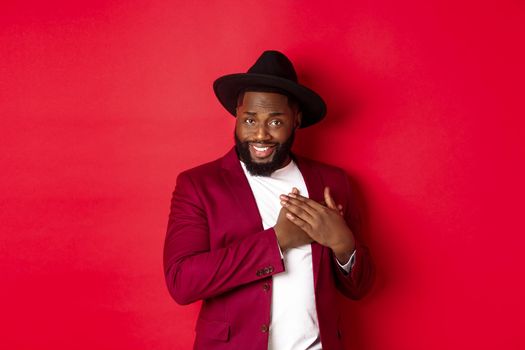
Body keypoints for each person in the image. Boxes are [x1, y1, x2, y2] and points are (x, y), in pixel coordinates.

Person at [163, 50, 374, 350]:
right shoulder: (198, 185)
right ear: (237, 116)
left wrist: (343, 244)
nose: (260, 134)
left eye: (275, 122)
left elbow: (361, 287)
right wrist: (277, 241)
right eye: (250, 119)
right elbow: (182, 282)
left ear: (296, 119)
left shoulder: (332, 183)